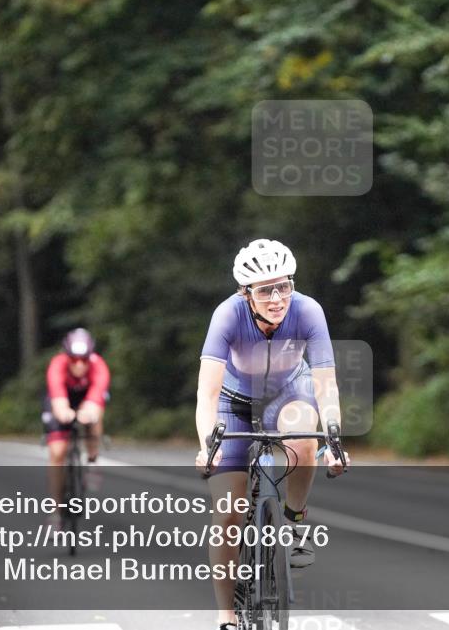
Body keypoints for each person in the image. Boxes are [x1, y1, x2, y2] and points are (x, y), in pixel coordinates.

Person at [194, 239, 349, 630]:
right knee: (228, 511)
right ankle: (226, 616)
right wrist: (207, 446)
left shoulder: (308, 310)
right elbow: (207, 392)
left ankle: (295, 523)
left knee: (302, 435)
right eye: (265, 290)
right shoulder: (227, 316)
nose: (277, 298)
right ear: (246, 294)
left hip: (287, 394)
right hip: (235, 402)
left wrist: (334, 440)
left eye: (284, 286)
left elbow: (326, 384)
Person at [41, 328, 110, 519]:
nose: (79, 365)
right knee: (57, 452)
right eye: (74, 359)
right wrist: (64, 412)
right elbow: (58, 401)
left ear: (90, 356)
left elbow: (95, 399)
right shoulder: (57, 365)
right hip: (61, 397)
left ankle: (93, 460)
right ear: (67, 356)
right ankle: (55, 511)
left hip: (86, 397)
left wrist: (87, 414)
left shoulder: (99, 366)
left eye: (84, 359)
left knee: (94, 419)